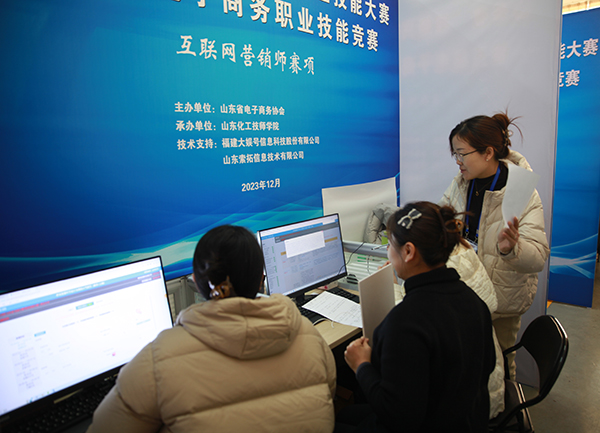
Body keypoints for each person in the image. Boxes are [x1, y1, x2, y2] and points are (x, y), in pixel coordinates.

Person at [87, 225, 337, 433]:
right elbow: (328, 396)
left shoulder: (157, 359)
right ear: (262, 279)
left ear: (196, 282)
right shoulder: (307, 333)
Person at [337, 202, 496, 433]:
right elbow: (486, 366)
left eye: (390, 245)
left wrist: (361, 366)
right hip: (464, 419)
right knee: (346, 414)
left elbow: (397, 417)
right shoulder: (474, 301)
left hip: (418, 422)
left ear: (409, 252)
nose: (388, 251)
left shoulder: (405, 323)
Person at [439, 112, 550, 378]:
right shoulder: (461, 184)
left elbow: (537, 258)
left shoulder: (522, 192)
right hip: (466, 295)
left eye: (462, 154)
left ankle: (506, 406)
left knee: (499, 367)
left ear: (488, 152)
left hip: (502, 301)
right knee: (468, 366)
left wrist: (511, 248)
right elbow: (441, 222)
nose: (458, 161)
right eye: (455, 154)